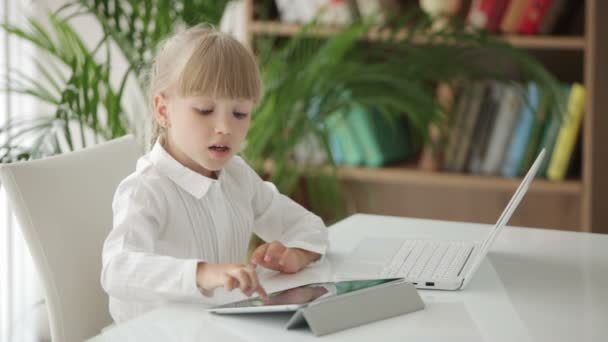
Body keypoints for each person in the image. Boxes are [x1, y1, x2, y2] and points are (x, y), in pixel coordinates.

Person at [100, 24, 329, 324]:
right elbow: (118, 269)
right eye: (205, 110)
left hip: (220, 328)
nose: (225, 127)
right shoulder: (145, 189)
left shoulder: (237, 176)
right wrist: (203, 273)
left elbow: (308, 226)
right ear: (163, 110)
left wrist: (296, 255)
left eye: (239, 113)